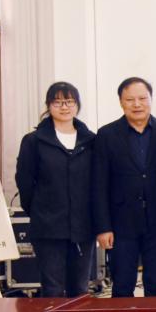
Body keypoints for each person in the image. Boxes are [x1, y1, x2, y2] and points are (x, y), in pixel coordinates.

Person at [92, 77, 156, 297]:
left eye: (142, 98)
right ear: (121, 102)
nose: (137, 104)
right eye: (130, 99)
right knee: (122, 286)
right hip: (121, 224)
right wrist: (103, 227)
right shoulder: (107, 135)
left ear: (151, 99)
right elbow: (99, 184)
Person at [15, 82, 96, 297]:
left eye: (69, 101)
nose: (64, 107)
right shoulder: (33, 141)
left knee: (80, 289)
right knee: (52, 289)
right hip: (48, 227)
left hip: (83, 227)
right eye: (57, 102)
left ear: (77, 105)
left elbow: (97, 183)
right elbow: (25, 182)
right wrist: (40, 210)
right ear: (48, 105)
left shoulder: (91, 141)